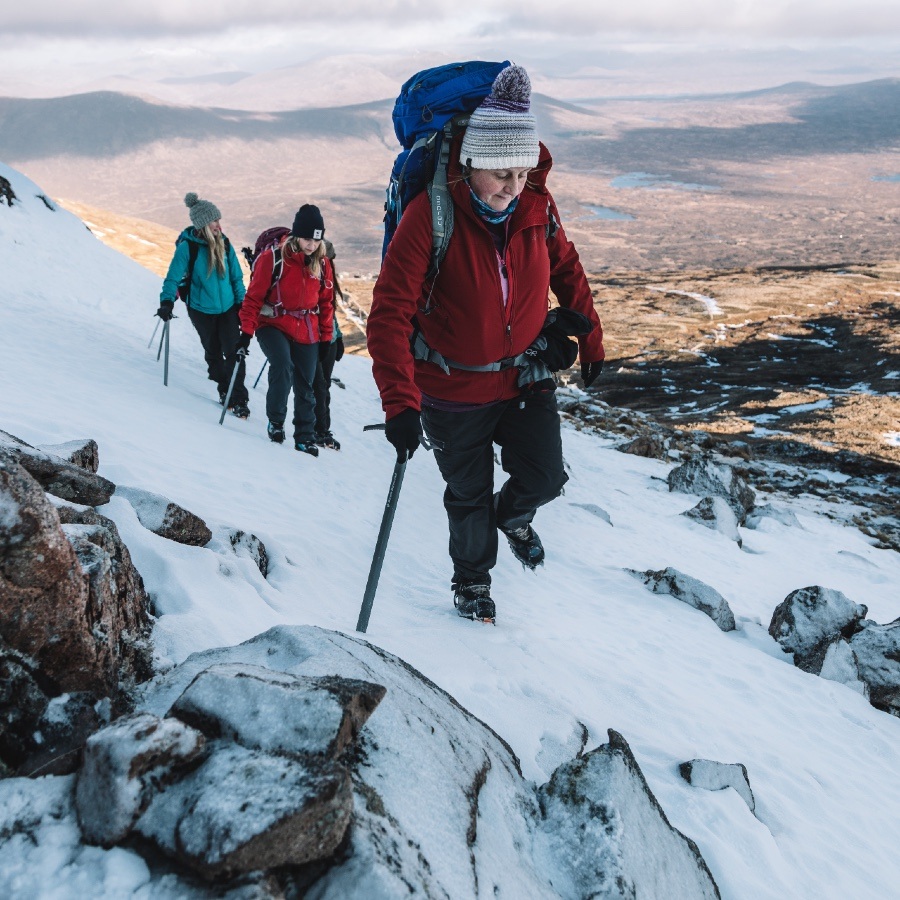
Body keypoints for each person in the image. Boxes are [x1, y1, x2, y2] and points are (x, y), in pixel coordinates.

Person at [366, 64, 605, 623]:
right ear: (470, 161)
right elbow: (389, 313)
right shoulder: (431, 214)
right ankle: (473, 583)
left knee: (545, 476)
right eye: (499, 172)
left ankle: (515, 515)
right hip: (450, 390)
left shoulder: (535, 205)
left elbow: (565, 266)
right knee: (467, 495)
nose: (511, 186)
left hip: (524, 374)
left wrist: (591, 340)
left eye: (521, 173)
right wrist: (400, 404)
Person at [237, 204, 335, 457]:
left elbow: (326, 303)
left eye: (316, 239)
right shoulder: (274, 258)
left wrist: (326, 339)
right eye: (306, 239)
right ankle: (276, 422)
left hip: (307, 329)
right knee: (282, 366)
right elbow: (253, 298)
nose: (311, 245)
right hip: (272, 323)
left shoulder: (323, 263)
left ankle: (305, 437)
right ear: (295, 236)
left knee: (307, 384)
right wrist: (245, 333)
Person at [157, 192, 249, 417]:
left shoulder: (225, 244)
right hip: (201, 310)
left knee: (235, 351)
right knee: (214, 355)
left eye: (218, 220)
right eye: (214, 221)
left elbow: (236, 277)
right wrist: (167, 301)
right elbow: (173, 277)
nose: (219, 225)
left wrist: (241, 304)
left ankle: (237, 399)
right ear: (203, 224)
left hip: (227, 308)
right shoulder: (188, 247)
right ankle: (223, 387)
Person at [313, 240, 346, 451]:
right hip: (313, 341)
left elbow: (330, 314)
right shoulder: (311, 276)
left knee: (323, 387)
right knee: (317, 388)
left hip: (329, 340)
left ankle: (322, 430)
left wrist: (339, 336)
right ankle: (317, 430)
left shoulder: (328, 278)